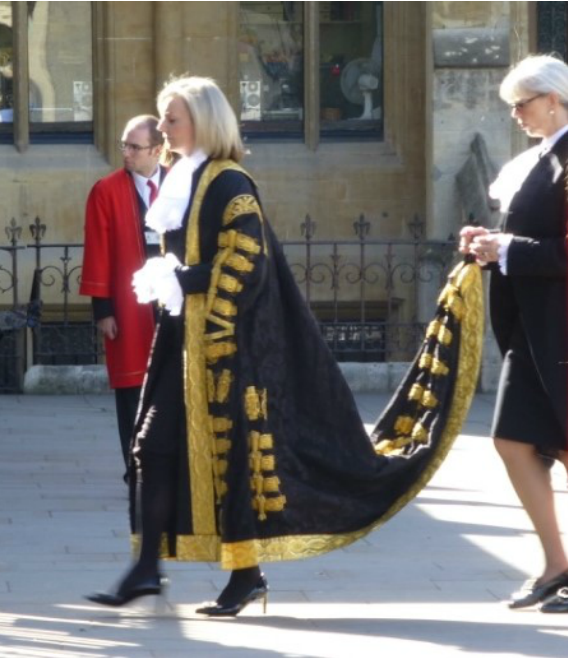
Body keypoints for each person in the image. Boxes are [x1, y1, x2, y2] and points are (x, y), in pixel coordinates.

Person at [86, 76, 482, 616]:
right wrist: (170, 279)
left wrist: (187, 280)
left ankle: (240, 575)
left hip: (230, 350)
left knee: (233, 463)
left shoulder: (230, 183)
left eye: (171, 119)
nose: (162, 128)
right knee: (151, 449)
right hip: (185, 344)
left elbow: (247, 263)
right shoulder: (184, 177)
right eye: (161, 119)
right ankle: (147, 569)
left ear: (202, 121)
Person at [459, 54, 568, 613]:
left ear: (553, 99)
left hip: (561, 328)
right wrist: (488, 244)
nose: (516, 114)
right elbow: (525, 237)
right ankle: (557, 564)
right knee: (513, 439)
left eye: (522, 103)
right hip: (532, 327)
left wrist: (509, 250)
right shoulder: (541, 157)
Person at [80, 115, 165, 480]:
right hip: (129, 305)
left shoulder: (180, 184)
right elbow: (97, 249)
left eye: (135, 147)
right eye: (124, 145)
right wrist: (103, 310)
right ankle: (136, 467)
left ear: (157, 150)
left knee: (173, 383)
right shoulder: (107, 190)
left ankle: (171, 465)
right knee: (132, 385)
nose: (126, 153)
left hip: (173, 300)